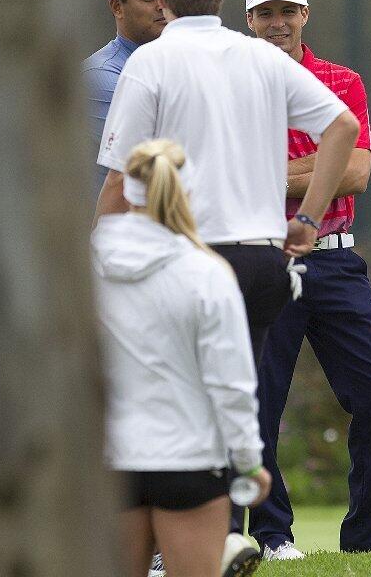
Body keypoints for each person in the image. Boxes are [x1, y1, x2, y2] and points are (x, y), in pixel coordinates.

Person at [241, 0, 371, 557]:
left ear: (305, 15)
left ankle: (370, 531)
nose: (278, 23)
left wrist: (270, 177)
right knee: (261, 404)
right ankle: (273, 535)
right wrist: (317, 169)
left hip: (334, 258)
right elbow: (324, 167)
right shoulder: (237, 84)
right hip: (261, 258)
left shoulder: (339, 80)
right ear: (249, 19)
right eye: (266, 13)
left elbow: (355, 172)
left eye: (287, 12)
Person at [95, 0, 360, 365]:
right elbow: (343, 127)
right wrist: (308, 220)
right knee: (241, 406)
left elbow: (118, 180)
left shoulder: (149, 63)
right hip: (264, 262)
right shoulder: (261, 57)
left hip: (193, 258)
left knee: (188, 404)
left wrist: (96, 262)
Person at [92, 139, 272, 577]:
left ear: (123, 188)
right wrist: (249, 460)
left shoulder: (84, 265)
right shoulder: (206, 272)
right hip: (189, 458)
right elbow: (231, 381)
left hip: (110, 460)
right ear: (188, 193)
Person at [83, 0, 165, 193]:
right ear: (117, 7)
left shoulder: (183, 62)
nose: (162, 6)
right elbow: (153, 167)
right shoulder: (100, 75)